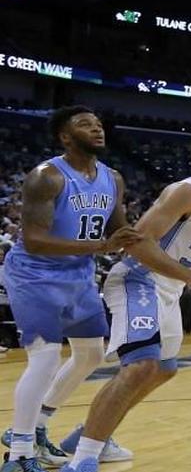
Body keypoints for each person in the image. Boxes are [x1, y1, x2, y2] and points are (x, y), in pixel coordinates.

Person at [59, 130, 191, 472]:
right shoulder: (187, 191)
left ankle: (90, 434)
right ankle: (83, 460)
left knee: (164, 369)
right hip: (138, 279)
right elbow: (137, 241)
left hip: (170, 289)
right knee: (141, 365)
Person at [1, 107, 143, 472]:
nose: (96, 128)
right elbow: (33, 240)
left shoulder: (113, 178)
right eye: (85, 124)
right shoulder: (46, 177)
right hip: (35, 275)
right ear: (65, 137)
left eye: (98, 123)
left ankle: (38, 425)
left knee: (91, 355)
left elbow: (119, 232)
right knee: (45, 357)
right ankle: (18, 454)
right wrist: (101, 248)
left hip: (78, 275)